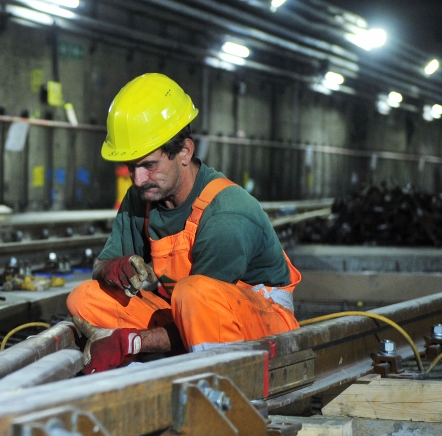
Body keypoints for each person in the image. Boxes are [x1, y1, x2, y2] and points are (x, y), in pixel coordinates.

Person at [67, 73, 301, 375]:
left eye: (149, 165)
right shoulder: (144, 196)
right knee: (85, 298)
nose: (138, 179)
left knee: (194, 294)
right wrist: (112, 269)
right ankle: (164, 361)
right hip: (190, 315)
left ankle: (221, 389)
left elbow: (203, 309)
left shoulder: (226, 213)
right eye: (131, 167)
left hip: (262, 323)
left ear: (184, 152)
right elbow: (101, 265)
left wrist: (132, 342)